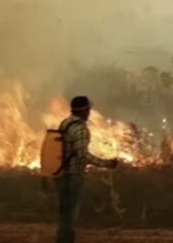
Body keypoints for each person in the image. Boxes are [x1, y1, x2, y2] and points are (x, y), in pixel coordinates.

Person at [55, 96, 118, 243]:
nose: (89, 112)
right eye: (88, 109)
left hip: (60, 173)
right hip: (73, 175)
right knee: (71, 213)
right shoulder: (80, 128)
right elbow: (82, 155)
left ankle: (61, 239)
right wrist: (105, 163)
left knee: (64, 211)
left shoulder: (65, 123)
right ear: (84, 110)